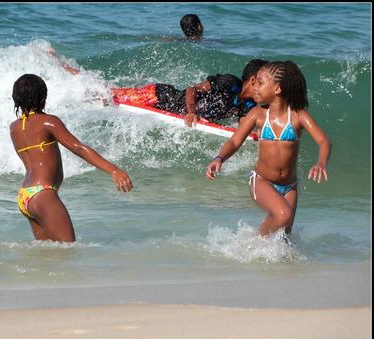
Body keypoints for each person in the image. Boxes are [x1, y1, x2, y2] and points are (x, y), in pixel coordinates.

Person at [205, 61, 331, 236]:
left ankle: (270, 259)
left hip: (290, 187)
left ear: (277, 88)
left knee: (285, 237)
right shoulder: (257, 115)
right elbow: (235, 141)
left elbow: (323, 140)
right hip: (262, 181)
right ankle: (253, 242)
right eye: (255, 82)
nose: (255, 87)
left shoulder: (298, 116)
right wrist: (219, 158)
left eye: (261, 83)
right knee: (283, 215)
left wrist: (321, 163)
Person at [10, 74, 133, 242]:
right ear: (43, 96)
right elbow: (78, 147)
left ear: (16, 98)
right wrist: (113, 170)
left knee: (46, 257)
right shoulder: (48, 122)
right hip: (43, 195)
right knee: (68, 251)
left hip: (25, 196)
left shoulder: (15, 128)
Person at [111, 59, 269, 127]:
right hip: (159, 95)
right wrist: (192, 112)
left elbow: (245, 124)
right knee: (110, 97)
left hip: (165, 110)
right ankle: (89, 88)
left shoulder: (248, 104)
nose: (268, 89)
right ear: (254, 80)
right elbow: (191, 89)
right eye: (266, 83)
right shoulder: (230, 83)